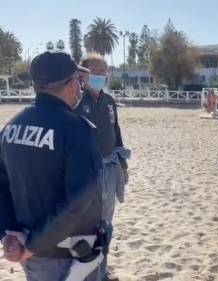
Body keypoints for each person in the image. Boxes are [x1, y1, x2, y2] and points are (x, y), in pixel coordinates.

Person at [0, 51, 103, 280]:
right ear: (69, 85)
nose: (80, 86)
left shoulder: (11, 127)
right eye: (78, 80)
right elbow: (78, 200)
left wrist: (9, 236)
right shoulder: (76, 130)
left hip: (30, 254)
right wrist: (32, 245)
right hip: (67, 258)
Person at [74, 53, 131, 281]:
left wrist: (123, 166)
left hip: (110, 168)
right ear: (82, 75)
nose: (101, 76)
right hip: (86, 173)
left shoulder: (109, 101)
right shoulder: (75, 102)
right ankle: (86, 271)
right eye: (96, 72)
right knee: (86, 225)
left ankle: (102, 268)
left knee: (106, 224)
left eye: (104, 72)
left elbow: (116, 132)